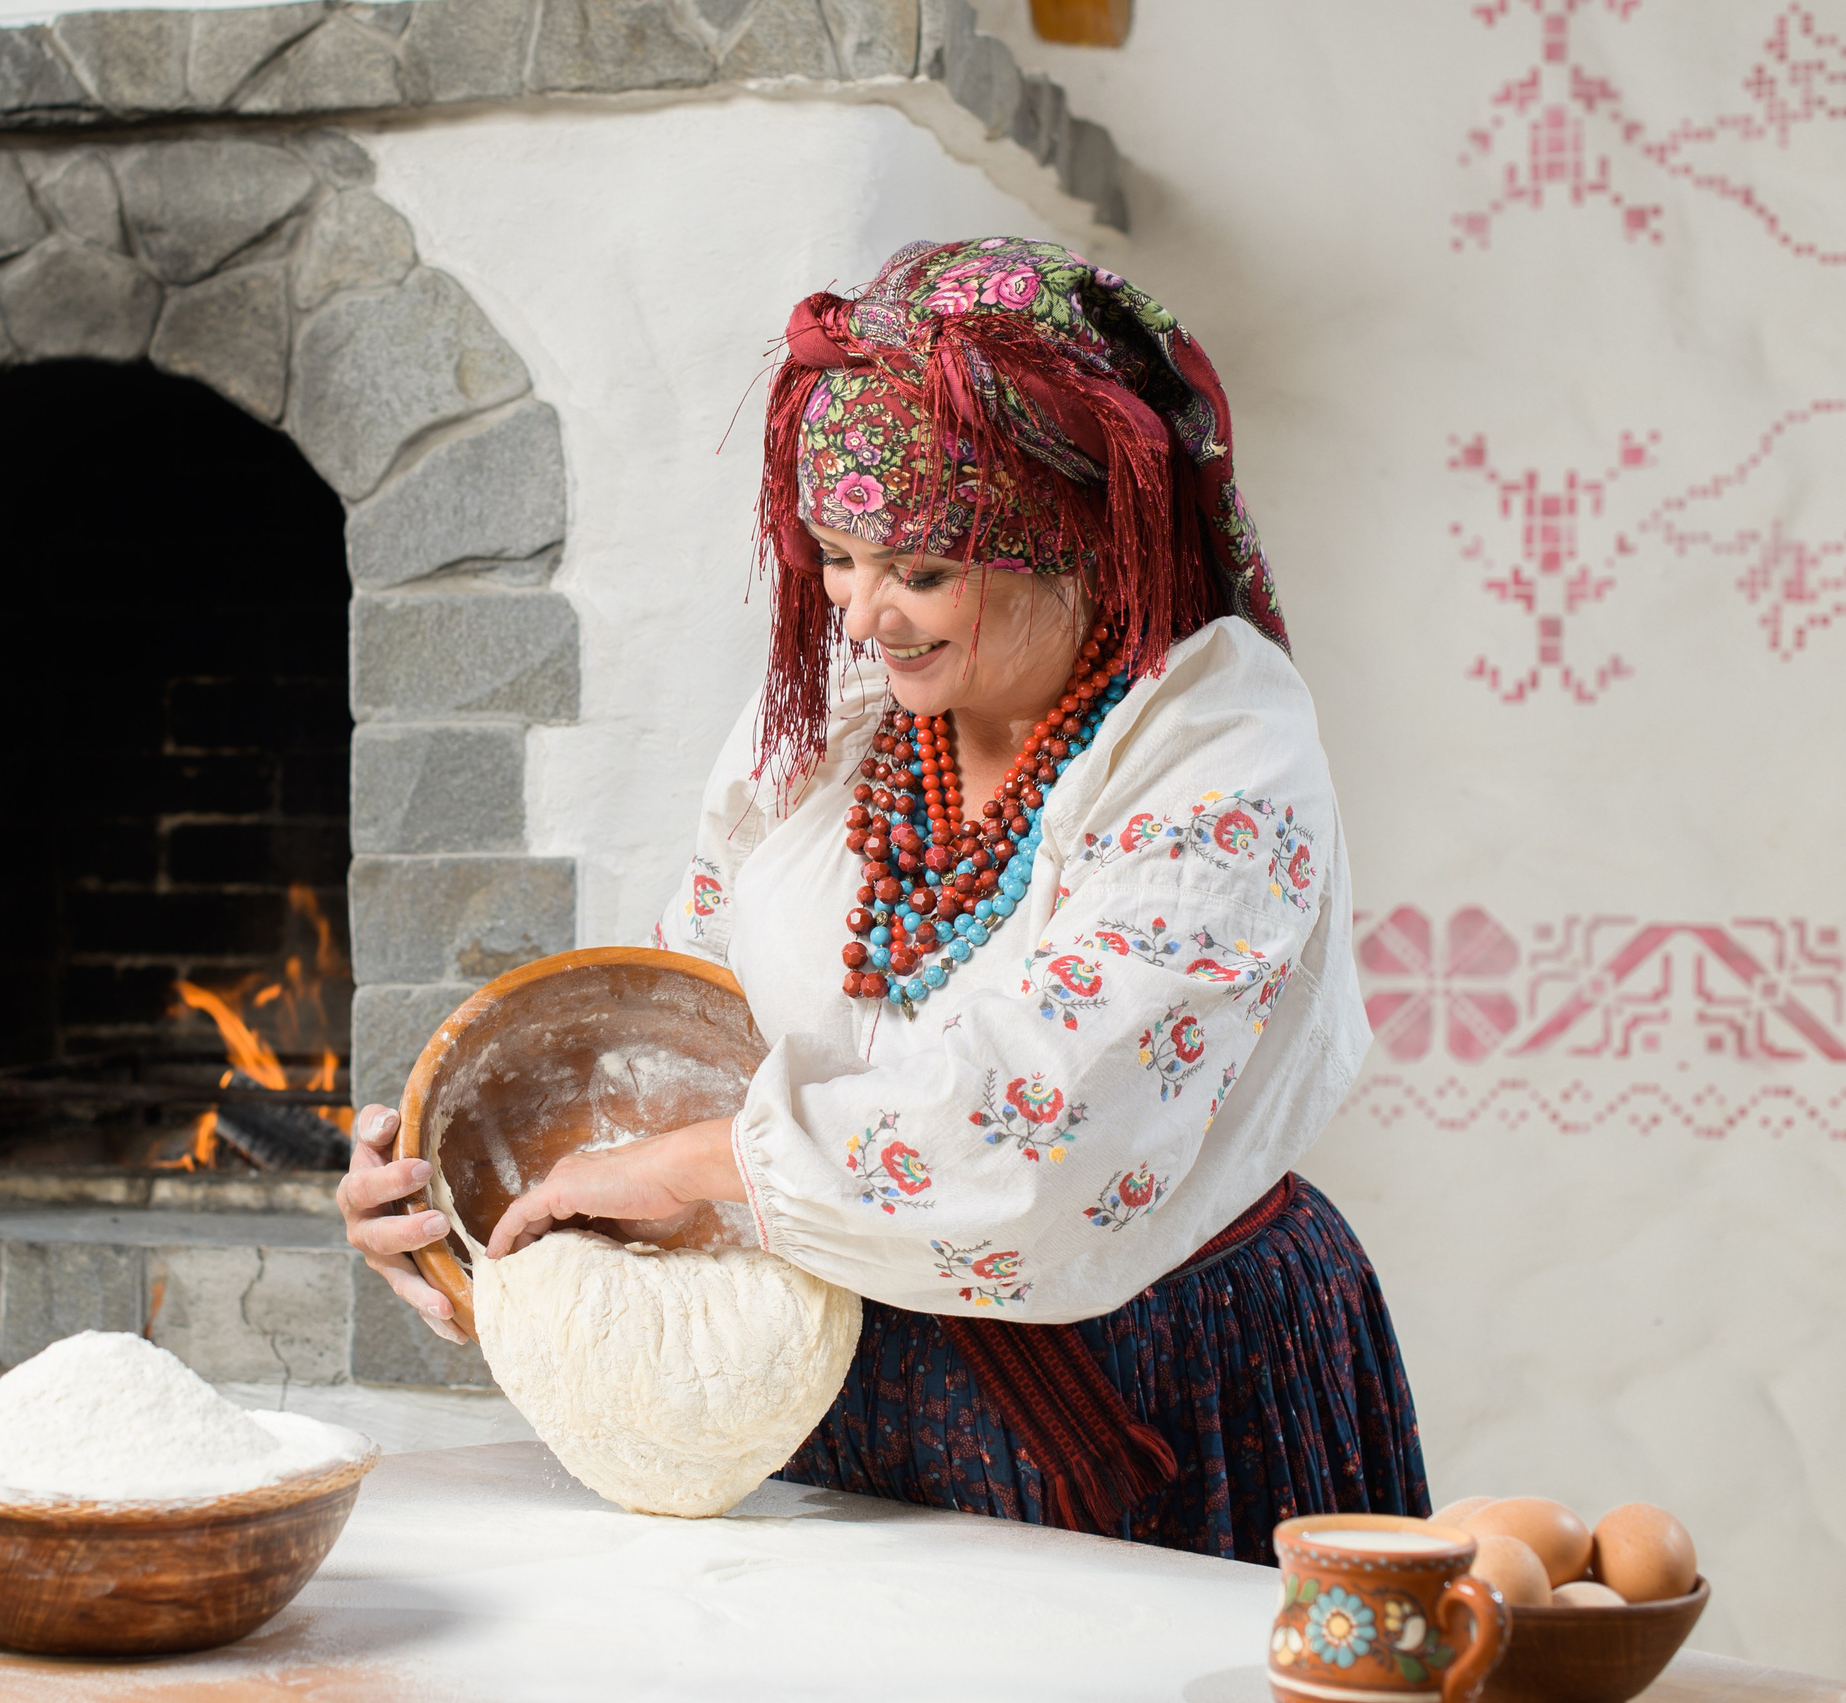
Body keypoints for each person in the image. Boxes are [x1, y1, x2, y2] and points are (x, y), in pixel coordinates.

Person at [337, 237, 1425, 1564]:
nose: (861, 619)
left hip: (1157, 1377)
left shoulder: (1217, 751)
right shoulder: (841, 722)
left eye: (919, 571)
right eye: (837, 558)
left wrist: (688, 1165)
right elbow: (692, 1039)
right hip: (837, 1374)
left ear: (1076, 542)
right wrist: (466, 1201)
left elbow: (1044, 1125)